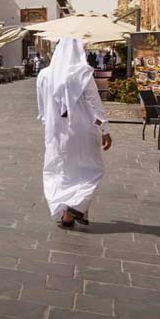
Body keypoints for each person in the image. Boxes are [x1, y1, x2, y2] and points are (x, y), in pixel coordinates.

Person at [37, 38, 112, 227]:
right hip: (82, 129)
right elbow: (94, 104)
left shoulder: (45, 75)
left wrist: (50, 125)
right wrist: (104, 129)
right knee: (92, 169)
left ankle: (69, 214)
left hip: (55, 131)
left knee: (62, 170)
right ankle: (76, 207)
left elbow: (42, 107)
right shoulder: (83, 73)